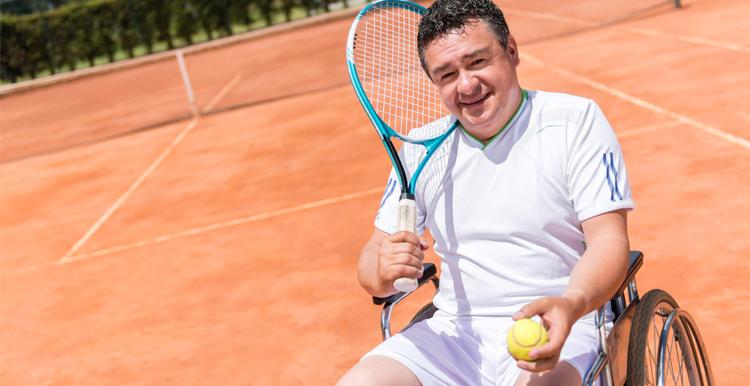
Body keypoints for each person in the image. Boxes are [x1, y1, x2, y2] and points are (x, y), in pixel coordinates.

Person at [338, 0, 634, 385]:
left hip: (563, 322)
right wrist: (380, 269)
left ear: (511, 51)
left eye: (477, 62)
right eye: (446, 74)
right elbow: (371, 262)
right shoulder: (420, 147)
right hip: (454, 334)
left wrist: (571, 303)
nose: (466, 85)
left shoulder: (574, 121)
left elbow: (609, 240)